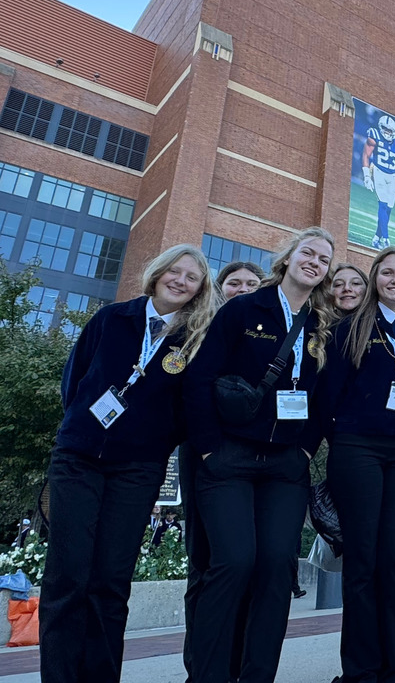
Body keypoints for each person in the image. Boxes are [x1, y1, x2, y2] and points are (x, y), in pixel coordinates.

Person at [39, 244, 217, 683]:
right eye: (174, 271)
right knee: (67, 578)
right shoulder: (111, 319)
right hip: (78, 459)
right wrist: (85, 425)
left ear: (199, 290)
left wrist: (150, 440)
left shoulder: (192, 341)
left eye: (191, 277)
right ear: (157, 274)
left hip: (137, 469)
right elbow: (75, 379)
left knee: (111, 583)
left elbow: (187, 411)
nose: (180, 280)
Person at [186, 227, 337, 683]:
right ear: (287, 258)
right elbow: (199, 378)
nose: (314, 262)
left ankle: (256, 676)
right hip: (228, 458)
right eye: (307, 253)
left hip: (285, 466)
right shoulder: (243, 308)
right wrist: (209, 448)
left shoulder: (321, 323)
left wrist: (306, 450)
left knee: (276, 569)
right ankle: (208, 676)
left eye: (323, 259)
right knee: (233, 562)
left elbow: (326, 398)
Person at [325, 246, 395, 683]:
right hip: (357, 448)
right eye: (387, 273)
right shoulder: (350, 328)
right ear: (374, 279)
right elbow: (328, 394)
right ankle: (362, 670)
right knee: (363, 558)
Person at [182, 260, 266, 683]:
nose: (245, 289)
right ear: (221, 288)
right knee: (205, 560)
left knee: (242, 564)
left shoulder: (261, 332)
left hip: (244, 458)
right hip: (203, 451)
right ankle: (199, 666)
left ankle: (232, 664)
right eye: (236, 283)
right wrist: (207, 451)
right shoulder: (199, 327)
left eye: (253, 283)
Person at [362, 114, 395, 250]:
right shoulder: (374, 136)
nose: (387, 133)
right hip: (378, 172)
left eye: (390, 130)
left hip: (391, 177)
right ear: (381, 128)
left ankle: (376, 238)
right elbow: (366, 155)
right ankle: (386, 239)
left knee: (388, 210)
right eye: (385, 130)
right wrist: (367, 176)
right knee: (382, 206)